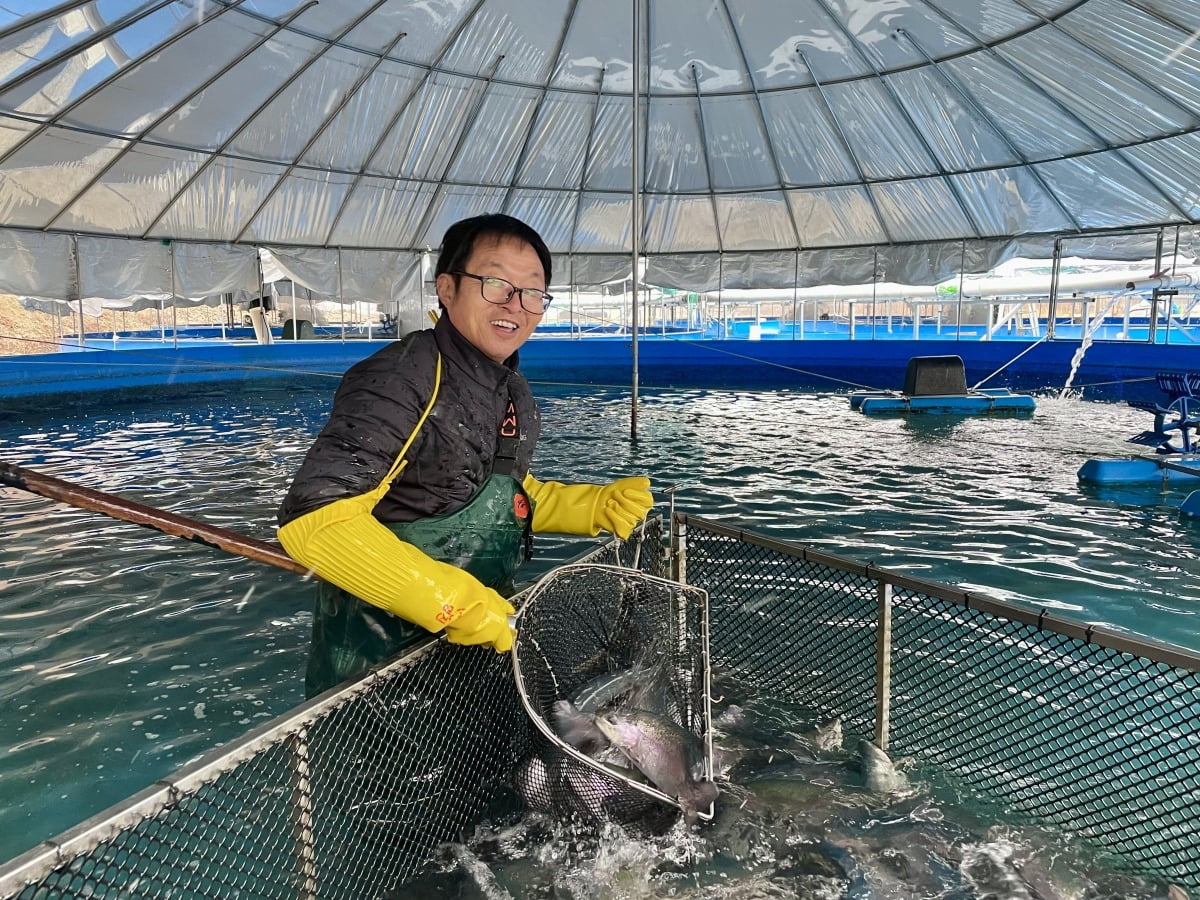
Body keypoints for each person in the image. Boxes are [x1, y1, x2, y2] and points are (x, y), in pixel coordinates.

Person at [277, 213, 654, 697]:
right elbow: (314, 521)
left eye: (533, 293)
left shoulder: (509, 385)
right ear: (447, 288)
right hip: (375, 673)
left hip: (468, 654)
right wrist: (444, 600)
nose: (515, 306)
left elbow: (495, 493)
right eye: (495, 283)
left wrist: (592, 507)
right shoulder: (401, 379)